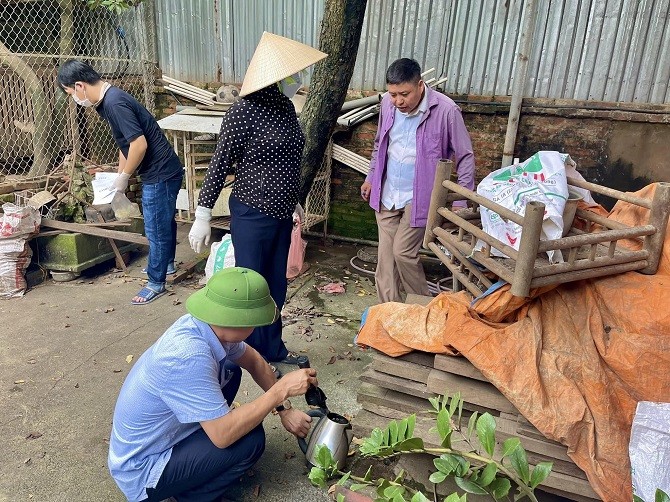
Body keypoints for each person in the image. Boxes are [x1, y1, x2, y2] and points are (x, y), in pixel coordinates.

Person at [108, 267, 317, 502]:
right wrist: (281, 390)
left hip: (162, 440)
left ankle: (197, 459)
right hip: (144, 471)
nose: (257, 326)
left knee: (229, 370)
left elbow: (255, 361)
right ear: (239, 321)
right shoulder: (188, 356)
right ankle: (191, 496)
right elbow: (222, 436)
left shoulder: (207, 326)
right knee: (249, 440)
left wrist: (284, 409)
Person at [188, 32, 327, 366]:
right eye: (292, 75)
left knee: (276, 286)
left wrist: (294, 198)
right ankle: (243, 355)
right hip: (253, 211)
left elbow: (292, 159)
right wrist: (203, 213)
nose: (298, 80)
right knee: (251, 287)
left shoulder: (286, 109)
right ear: (274, 77)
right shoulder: (243, 112)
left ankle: (272, 351)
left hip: (281, 213)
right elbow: (220, 162)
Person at [57, 59, 183, 305]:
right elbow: (125, 144)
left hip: (161, 173)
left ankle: (156, 282)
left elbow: (139, 144)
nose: (73, 98)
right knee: (162, 221)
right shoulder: (107, 101)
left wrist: (125, 177)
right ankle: (165, 265)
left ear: (80, 86)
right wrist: (118, 174)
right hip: (163, 170)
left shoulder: (114, 102)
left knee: (156, 227)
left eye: (71, 92)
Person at [360, 58, 475, 303]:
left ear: (420, 85)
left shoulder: (446, 110)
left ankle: (422, 309)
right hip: (388, 192)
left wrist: (462, 200)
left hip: (420, 198)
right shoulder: (387, 106)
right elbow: (380, 143)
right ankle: (390, 316)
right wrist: (371, 176)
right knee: (386, 262)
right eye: (392, 94)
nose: (398, 101)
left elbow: (465, 156)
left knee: (403, 252)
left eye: (404, 94)